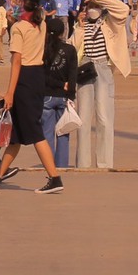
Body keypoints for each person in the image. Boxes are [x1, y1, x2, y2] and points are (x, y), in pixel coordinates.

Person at [0, 0, 63, 193]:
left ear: (22, 3)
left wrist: (10, 93)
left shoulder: (19, 28)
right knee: (16, 133)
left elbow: (16, 62)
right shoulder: (40, 24)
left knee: (33, 131)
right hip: (37, 77)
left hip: (25, 78)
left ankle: (55, 177)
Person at [72, 0, 131, 170]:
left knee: (104, 118)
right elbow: (73, 47)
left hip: (103, 69)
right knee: (83, 119)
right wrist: (80, 27)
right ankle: (83, 164)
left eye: (95, 7)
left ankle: (104, 163)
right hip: (84, 69)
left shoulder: (111, 23)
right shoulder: (81, 26)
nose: (92, 10)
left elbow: (124, 8)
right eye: (89, 7)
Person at [40, 16, 78, 169]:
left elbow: (42, 76)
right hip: (63, 97)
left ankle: (48, 166)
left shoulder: (42, 50)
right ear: (63, 32)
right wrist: (70, 95)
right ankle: (61, 165)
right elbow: (73, 75)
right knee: (63, 133)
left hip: (46, 96)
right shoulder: (69, 50)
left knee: (47, 134)